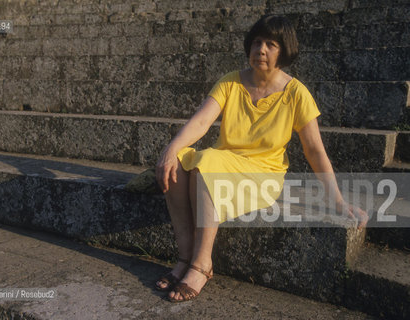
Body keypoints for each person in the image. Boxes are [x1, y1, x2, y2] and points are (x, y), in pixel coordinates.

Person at [154, 15, 368, 303]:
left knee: (204, 164)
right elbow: (201, 121)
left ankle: (201, 265)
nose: (261, 49)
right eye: (256, 42)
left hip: (262, 176)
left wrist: (338, 201)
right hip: (226, 161)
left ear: (284, 50)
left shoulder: (296, 94)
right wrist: (171, 149)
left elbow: (315, 151)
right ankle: (185, 256)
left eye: (271, 44)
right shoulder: (230, 82)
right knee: (179, 161)